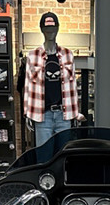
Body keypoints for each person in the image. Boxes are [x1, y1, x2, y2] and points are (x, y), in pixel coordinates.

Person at [24, 12, 78, 147]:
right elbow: (28, 86)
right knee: (44, 155)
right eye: (47, 29)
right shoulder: (32, 56)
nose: (50, 32)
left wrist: (75, 113)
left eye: (53, 28)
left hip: (64, 115)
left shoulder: (68, 55)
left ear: (57, 29)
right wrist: (27, 113)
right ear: (42, 30)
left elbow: (73, 85)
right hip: (42, 115)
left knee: (64, 154)